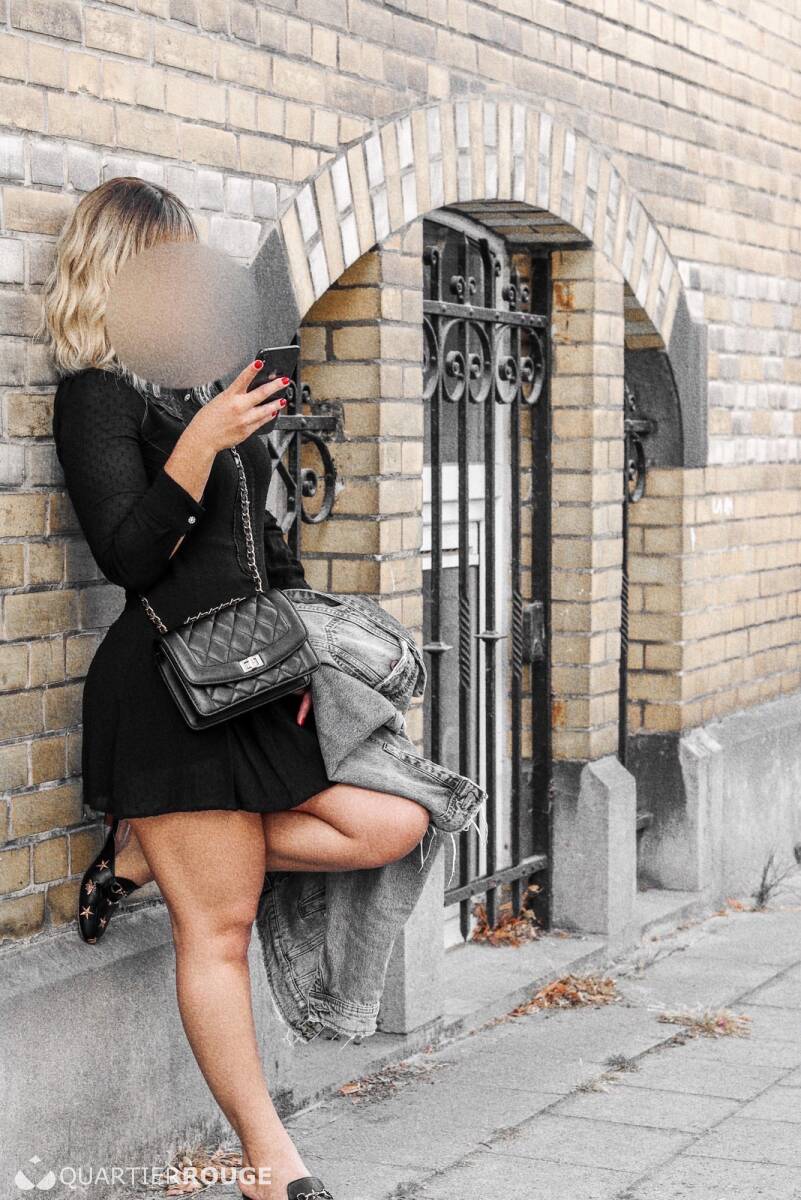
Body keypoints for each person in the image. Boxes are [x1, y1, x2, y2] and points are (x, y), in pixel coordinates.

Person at [39, 177, 430, 1200]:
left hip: (255, 676)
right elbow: (130, 557)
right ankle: (270, 1161)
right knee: (216, 927)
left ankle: (149, 850)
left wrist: (306, 658)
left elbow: (265, 544)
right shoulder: (96, 395)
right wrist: (200, 445)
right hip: (168, 688)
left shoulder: (201, 385)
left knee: (391, 822)